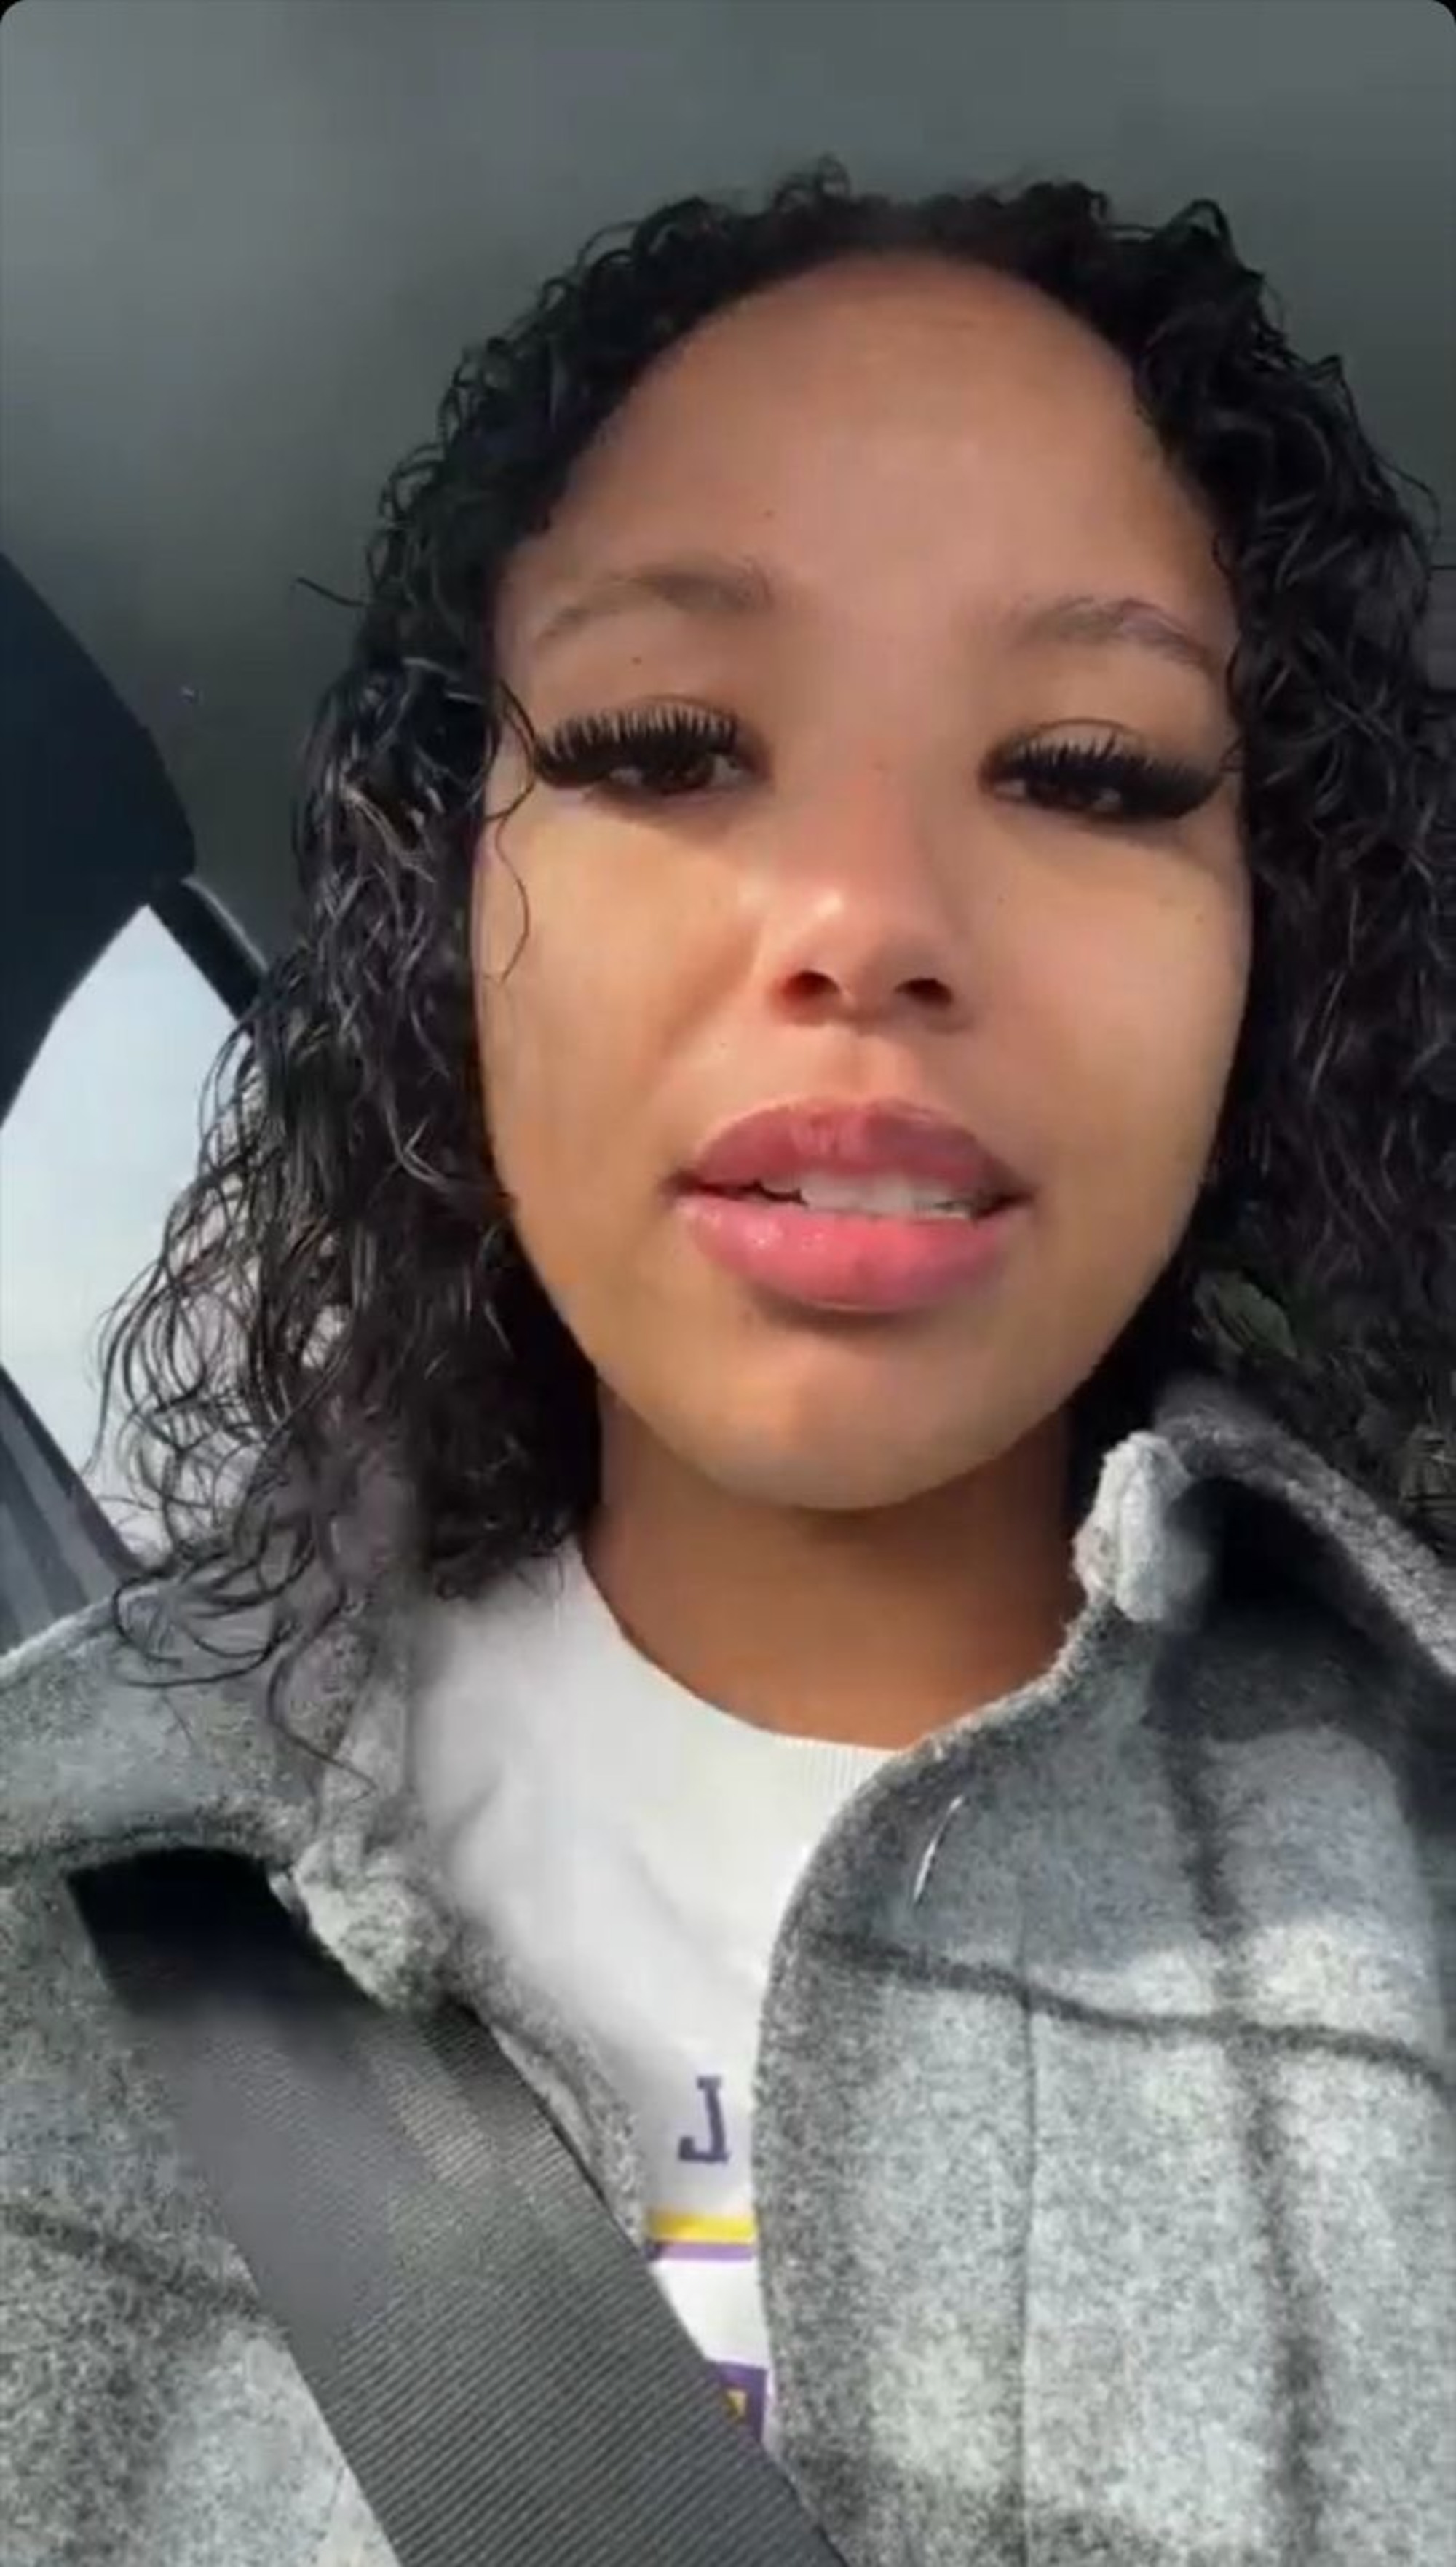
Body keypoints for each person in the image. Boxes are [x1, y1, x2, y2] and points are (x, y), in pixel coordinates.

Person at [3, 160, 1453, 2567]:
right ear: (444, 897)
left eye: (1090, 771)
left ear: (1268, 959)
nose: (863, 920)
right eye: (669, 744)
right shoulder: (48, 1883)